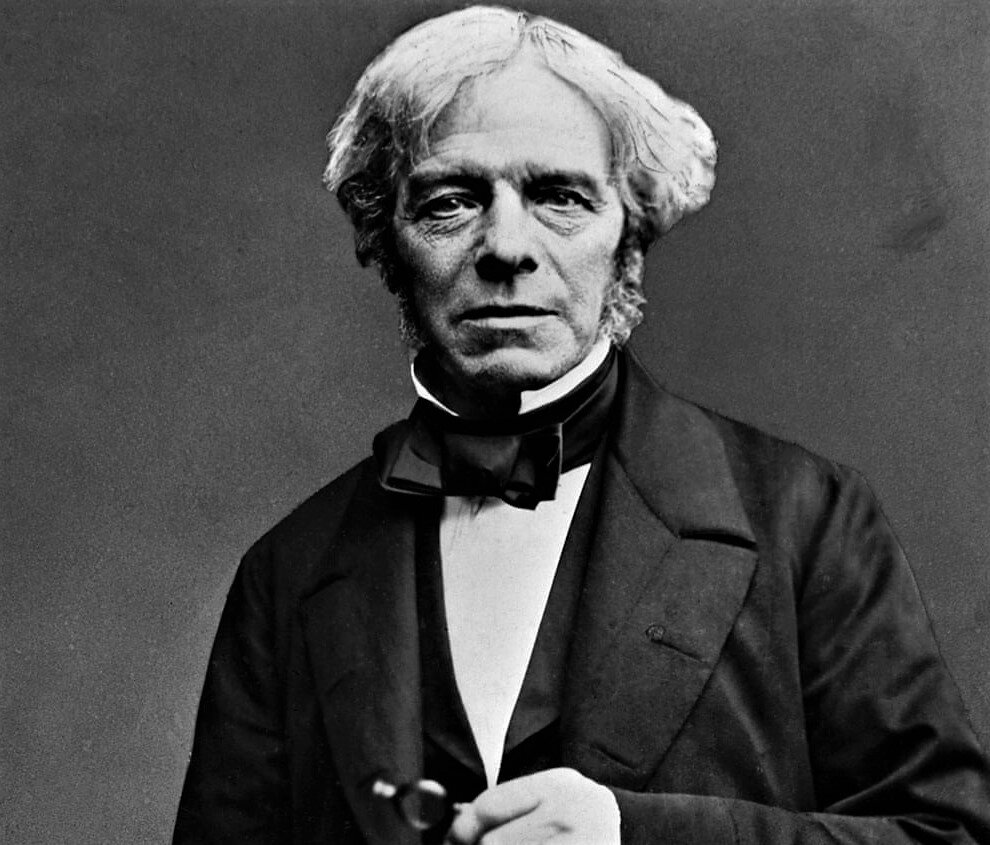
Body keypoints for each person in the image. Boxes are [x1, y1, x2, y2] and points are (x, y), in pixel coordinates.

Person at [173, 7, 990, 844]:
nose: (507, 247)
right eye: (451, 202)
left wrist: (631, 834)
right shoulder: (288, 573)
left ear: (627, 237)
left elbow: (948, 835)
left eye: (559, 197)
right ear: (387, 239)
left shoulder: (807, 520)